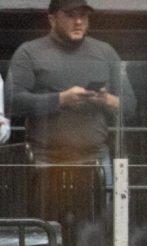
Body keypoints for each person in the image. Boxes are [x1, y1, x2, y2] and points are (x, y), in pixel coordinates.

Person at [6, 0, 136, 173]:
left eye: (83, 16)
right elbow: (12, 101)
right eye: (70, 15)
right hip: (45, 159)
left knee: (101, 200)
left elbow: (130, 106)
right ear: (52, 19)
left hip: (96, 159)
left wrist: (106, 99)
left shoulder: (105, 52)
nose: (78, 22)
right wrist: (60, 99)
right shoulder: (29, 52)